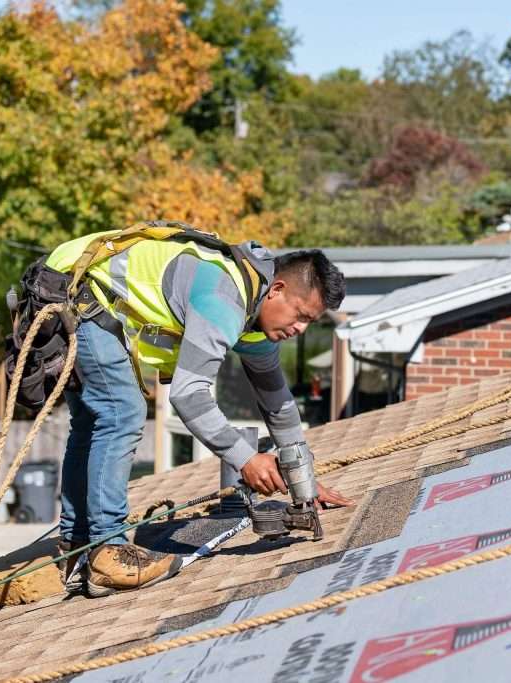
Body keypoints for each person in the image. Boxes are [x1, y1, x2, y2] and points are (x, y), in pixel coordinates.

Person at [41, 226, 353, 597]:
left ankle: (75, 545)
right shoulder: (225, 298)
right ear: (278, 290)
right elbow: (189, 395)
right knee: (121, 412)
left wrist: (304, 481)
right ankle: (108, 549)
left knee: (95, 421)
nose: (300, 329)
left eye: (309, 323)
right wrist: (246, 459)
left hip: (75, 283)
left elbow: (278, 402)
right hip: (76, 290)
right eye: (300, 315)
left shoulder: (256, 312)